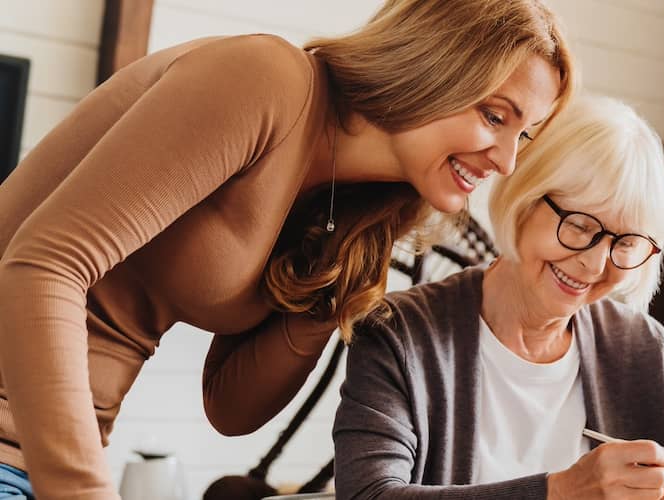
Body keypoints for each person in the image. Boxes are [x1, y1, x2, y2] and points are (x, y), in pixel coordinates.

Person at [0, 0, 575, 496]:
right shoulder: (267, 78)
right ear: (431, 69)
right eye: (495, 116)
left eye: (523, 136)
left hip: (36, 460)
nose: (506, 160)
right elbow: (44, 263)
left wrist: (333, 292)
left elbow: (230, 408)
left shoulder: (360, 214)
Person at [333, 95, 664, 500]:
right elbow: (369, 494)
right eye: (578, 226)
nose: (595, 266)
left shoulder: (641, 349)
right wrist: (560, 493)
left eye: (626, 243)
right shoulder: (399, 333)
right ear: (524, 199)